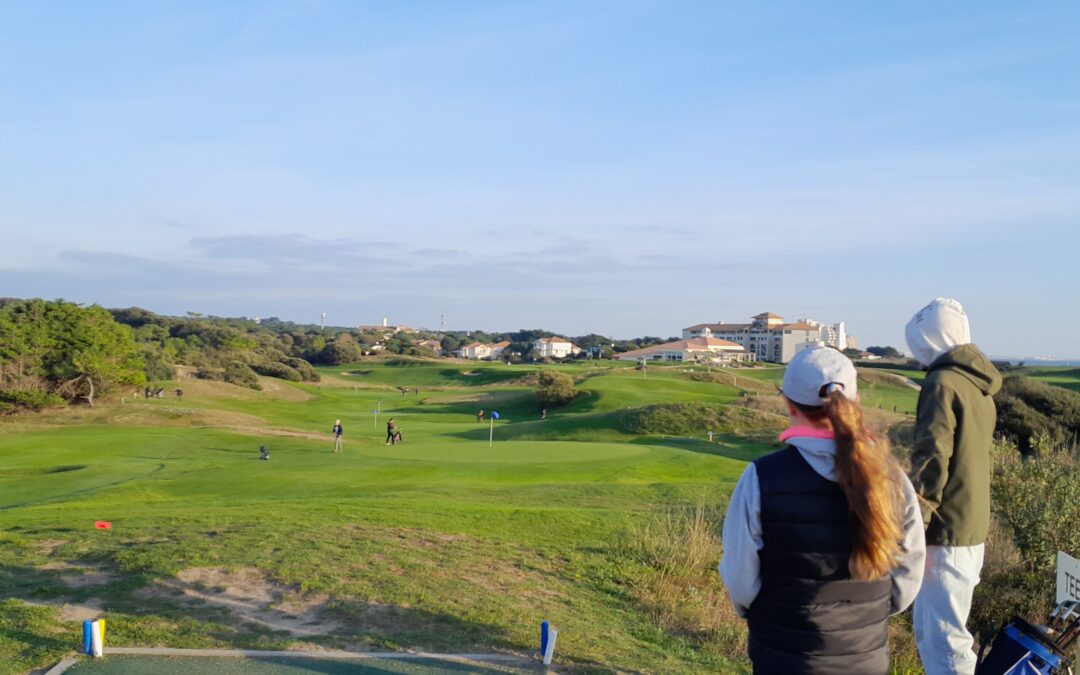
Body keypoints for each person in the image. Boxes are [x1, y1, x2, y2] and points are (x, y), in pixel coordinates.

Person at [720, 346, 925, 674]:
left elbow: (742, 582)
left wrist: (766, 616)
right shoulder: (894, 479)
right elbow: (906, 579)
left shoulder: (760, 478)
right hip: (865, 658)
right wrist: (866, 613)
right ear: (855, 402)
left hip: (783, 658)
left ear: (788, 404)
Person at [905, 298, 1002, 675]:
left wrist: (917, 524)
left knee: (942, 638)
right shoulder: (979, 386)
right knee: (947, 632)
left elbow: (932, 458)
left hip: (945, 530)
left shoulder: (942, 383)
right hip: (970, 524)